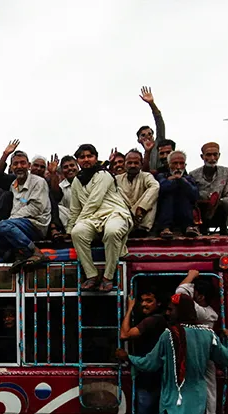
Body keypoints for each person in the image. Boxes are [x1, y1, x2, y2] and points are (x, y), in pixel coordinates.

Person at [67, 143, 132, 292]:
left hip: (114, 213)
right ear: (77, 160)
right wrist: (70, 229)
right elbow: (75, 207)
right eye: (82, 157)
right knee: (77, 233)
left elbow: (94, 202)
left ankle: (108, 277)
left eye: (90, 156)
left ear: (96, 158)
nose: (86, 159)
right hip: (92, 218)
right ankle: (91, 275)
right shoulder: (77, 180)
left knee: (112, 232)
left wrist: (78, 221)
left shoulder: (103, 174)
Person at [176, 269, 220, 414]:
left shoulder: (204, 314)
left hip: (198, 382)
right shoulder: (208, 317)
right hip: (198, 381)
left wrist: (191, 276)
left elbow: (179, 293)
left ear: (200, 297)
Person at [121, 289, 168, 414]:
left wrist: (129, 308)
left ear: (158, 303)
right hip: (161, 381)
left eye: (149, 300)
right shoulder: (162, 322)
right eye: (141, 302)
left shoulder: (153, 321)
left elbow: (125, 334)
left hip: (148, 380)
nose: (144, 304)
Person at [0, 150, 49, 268]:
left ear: (29, 165)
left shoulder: (39, 182)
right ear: (11, 167)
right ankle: (15, 256)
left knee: (3, 226)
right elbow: (22, 202)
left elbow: (35, 208)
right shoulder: (13, 185)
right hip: (15, 226)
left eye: (22, 163)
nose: (19, 166)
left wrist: (8, 222)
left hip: (35, 224)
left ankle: (35, 252)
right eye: (15, 164)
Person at [189, 142, 228, 232]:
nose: (212, 158)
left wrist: (217, 202)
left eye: (215, 155)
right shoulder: (193, 174)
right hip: (202, 211)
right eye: (208, 155)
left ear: (219, 155)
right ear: (202, 157)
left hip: (221, 209)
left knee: (227, 202)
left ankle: (222, 225)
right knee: (201, 196)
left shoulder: (227, 172)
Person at [153, 151, 200, 238]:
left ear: (185, 166)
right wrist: (174, 181)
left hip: (184, 213)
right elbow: (161, 188)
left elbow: (195, 195)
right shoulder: (161, 176)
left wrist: (181, 181)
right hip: (166, 212)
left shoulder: (188, 179)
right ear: (169, 165)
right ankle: (165, 228)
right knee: (169, 194)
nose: (178, 167)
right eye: (175, 163)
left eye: (181, 163)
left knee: (183, 192)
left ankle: (189, 226)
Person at [116, 149, 159, 237]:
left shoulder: (146, 176)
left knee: (153, 192)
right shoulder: (117, 179)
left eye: (136, 163)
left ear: (141, 164)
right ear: (125, 164)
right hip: (125, 216)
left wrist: (141, 208)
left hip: (142, 218)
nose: (132, 165)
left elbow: (155, 187)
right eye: (129, 163)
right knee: (116, 192)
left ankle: (143, 228)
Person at [138, 86, 168, 174]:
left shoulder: (159, 144)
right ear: (139, 140)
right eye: (143, 135)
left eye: (150, 134)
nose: (147, 136)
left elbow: (160, 123)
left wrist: (151, 104)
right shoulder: (138, 157)